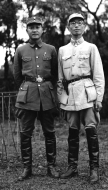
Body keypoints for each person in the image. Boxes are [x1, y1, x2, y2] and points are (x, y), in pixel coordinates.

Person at [57, 13, 104, 183]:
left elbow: (98, 75)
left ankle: (94, 168)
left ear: (84, 27)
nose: (76, 26)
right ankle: (72, 167)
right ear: (68, 27)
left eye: (80, 23)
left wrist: (98, 98)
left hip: (87, 93)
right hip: (70, 96)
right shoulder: (62, 50)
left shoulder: (91, 48)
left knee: (91, 130)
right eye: (73, 23)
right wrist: (62, 100)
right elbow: (60, 79)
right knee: (72, 132)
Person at [13, 16, 59, 181]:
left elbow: (55, 73)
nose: (34, 29)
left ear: (42, 29)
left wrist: (47, 86)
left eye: (37, 27)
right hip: (27, 95)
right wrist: (29, 86)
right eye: (31, 27)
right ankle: (27, 168)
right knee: (25, 133)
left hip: (47, 94)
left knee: (49, 132)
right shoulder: (20, 50)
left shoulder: (51, 49)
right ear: (27, 30)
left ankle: (51, 166)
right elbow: (17, 75)